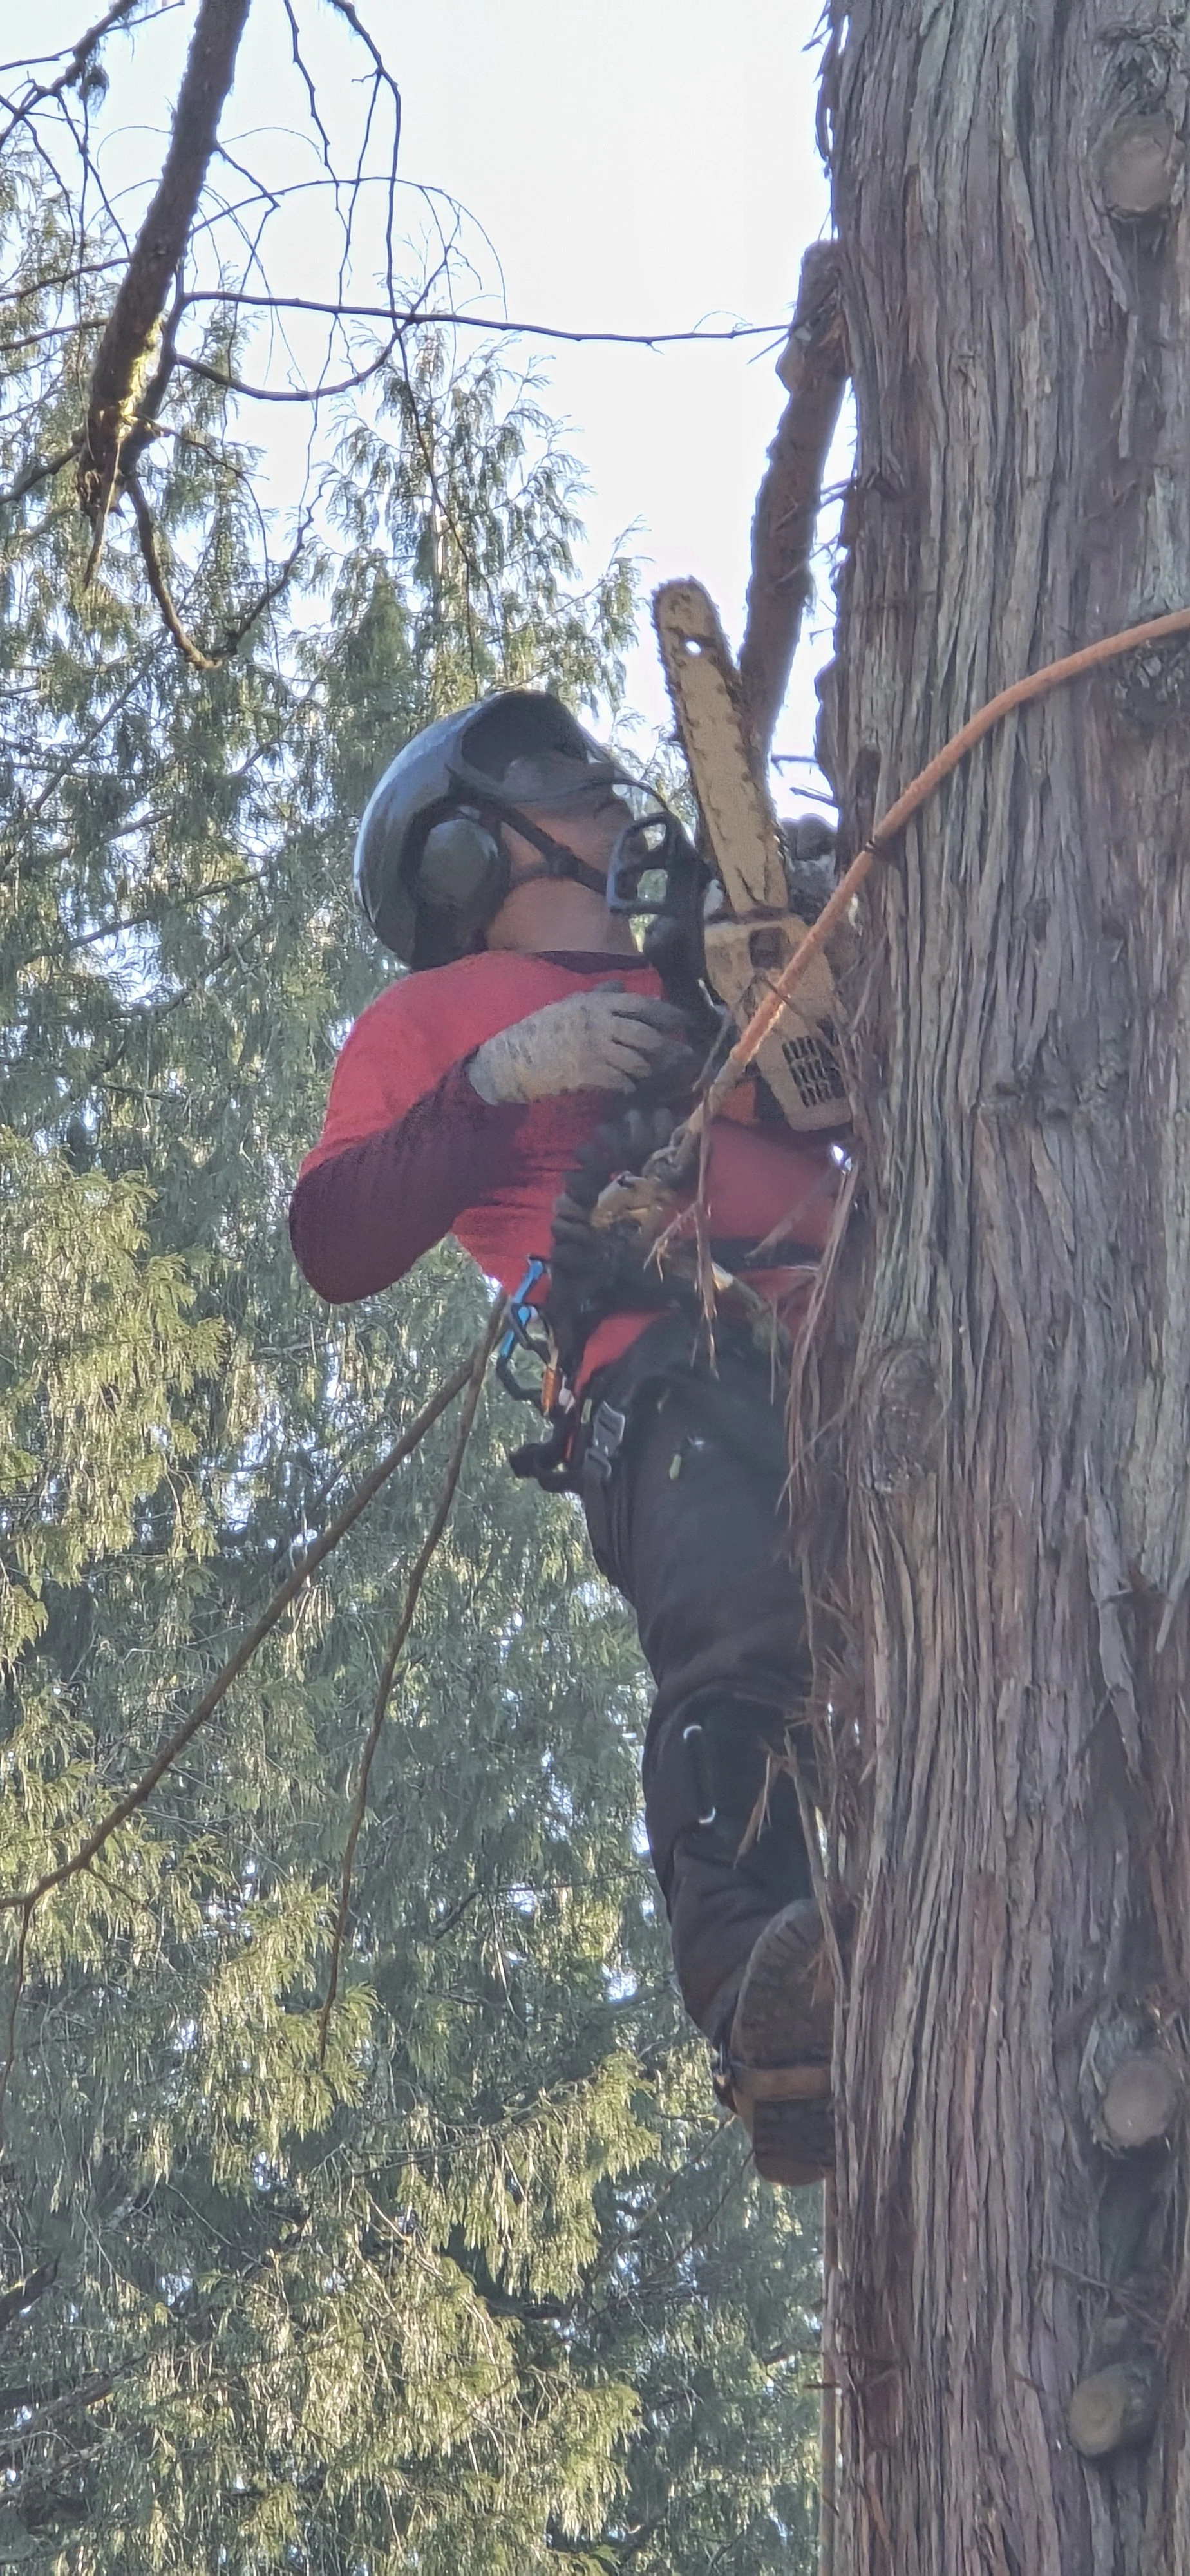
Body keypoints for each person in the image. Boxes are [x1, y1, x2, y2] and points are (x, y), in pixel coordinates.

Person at [289, 690, 847, 2184]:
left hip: (870, 1336)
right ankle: (763, 1999)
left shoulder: (716, 958)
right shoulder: (437, 1020)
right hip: (666, 1360)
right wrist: (503, 1076)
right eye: (552, 778)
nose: (599, 787)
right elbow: (335, 1235)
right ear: (470, 856)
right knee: (738, 1625)